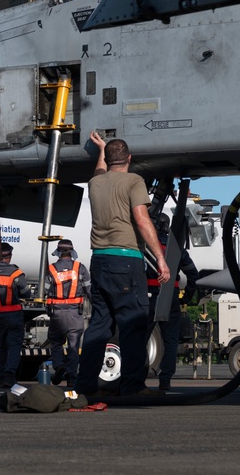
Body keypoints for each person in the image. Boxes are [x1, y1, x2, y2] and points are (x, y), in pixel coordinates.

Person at [74, 131, 170, 398]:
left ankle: (84, 386)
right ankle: (133, 386)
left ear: (107, 159)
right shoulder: (134, 180)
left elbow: (100, 170)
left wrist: (101, 149)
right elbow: (141, 219)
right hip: (126, 260)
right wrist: (160, 257)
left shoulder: (95, 183)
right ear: (129, 158)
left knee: (98, 325)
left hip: (99, 260)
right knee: (133, 323)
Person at [147, 213, 200, 391]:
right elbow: (193, 274)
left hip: (149, 295)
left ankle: (136, 379)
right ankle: (165, 380)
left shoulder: (146, 245)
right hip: (171, 296)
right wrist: (187, 296)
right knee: (170, 341)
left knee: (141, 339)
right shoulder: (176, 248)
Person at [0, 242, 31, 389]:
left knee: (1, 346)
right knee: (14, 346)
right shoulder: (17, 274)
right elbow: (26, 294)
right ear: (10, 256)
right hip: (14, 314)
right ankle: (10, 376)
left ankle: (2, 377)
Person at [44, 239, 91, 388]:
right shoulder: (80, 268)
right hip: (74, 314)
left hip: (57, 314)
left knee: (56, 343)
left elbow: (45, 291)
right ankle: (71, 377)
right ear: (71, 252)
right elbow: (90, 291)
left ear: (58, 251)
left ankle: (58, 366)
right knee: (73, 346)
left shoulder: (51, 269)